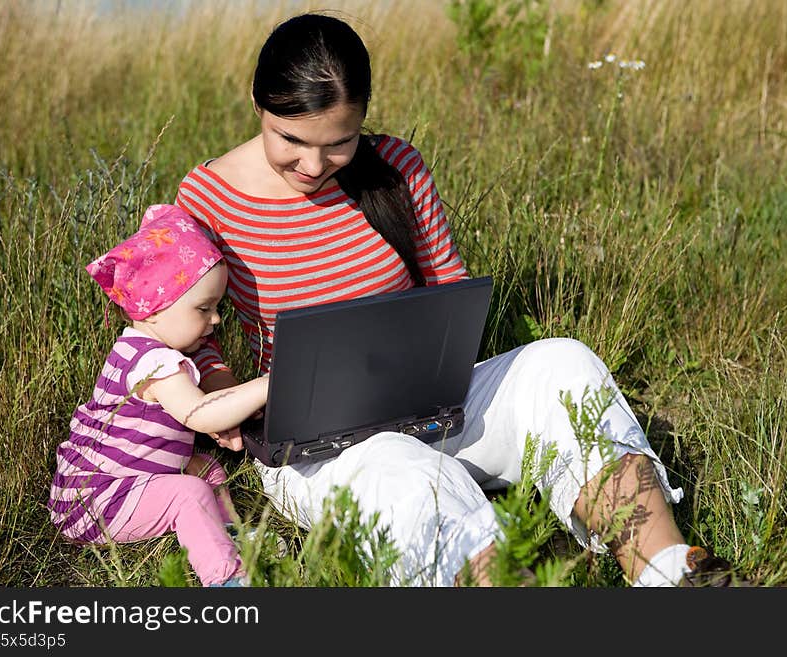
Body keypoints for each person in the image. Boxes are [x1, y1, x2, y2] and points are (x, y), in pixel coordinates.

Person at [174, 12, 740, 587]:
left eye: (339, 144)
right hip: (314, 451)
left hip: (430, 409)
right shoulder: (207, 196)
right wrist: (220, 387)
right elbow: (193, 332)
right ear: (258, 106)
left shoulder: (395, 168)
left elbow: (448, 290)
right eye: (290, 140)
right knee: (403, 469)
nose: (314, 167)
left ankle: (671, 572)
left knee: (562, 364)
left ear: (363, 118)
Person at [47, 204, 269, 587]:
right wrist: (267, 384)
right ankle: (227, 578)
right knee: (189, 493)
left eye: (217, 307)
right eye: (204, 308)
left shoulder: (137, 347)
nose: (215, 320)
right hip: (98, 501)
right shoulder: (156, 364)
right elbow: (198, 414)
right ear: (151, 309)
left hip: (101, 484)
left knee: (205, 469)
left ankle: (228, 535)